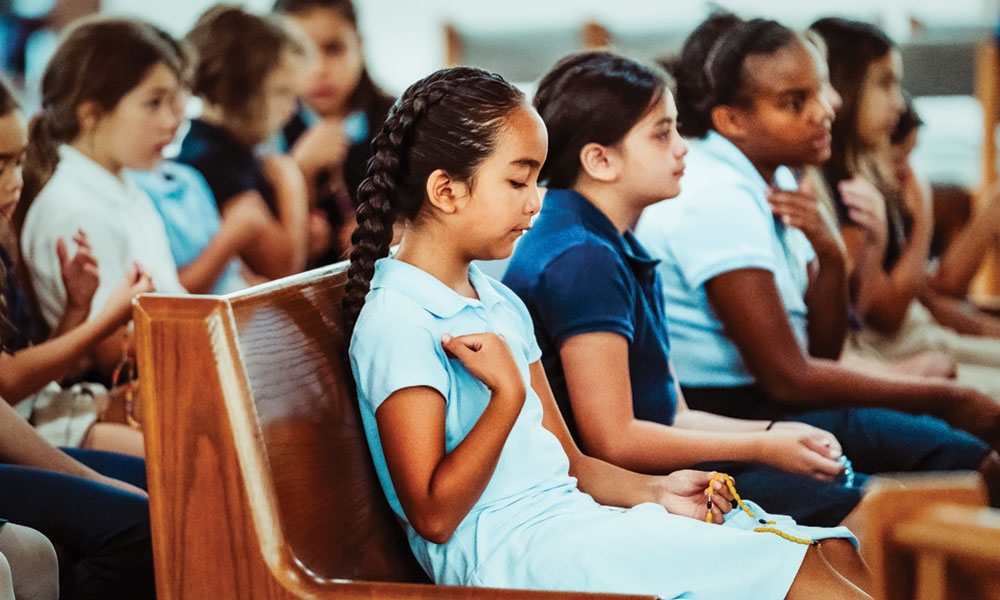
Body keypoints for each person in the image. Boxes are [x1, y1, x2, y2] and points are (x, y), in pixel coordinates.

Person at [344, 65, 871, 599]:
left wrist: (657, 492)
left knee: (830, 549)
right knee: (792, 570)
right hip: (510, 556)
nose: (536, 200)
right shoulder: (399, 319)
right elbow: (434, 517)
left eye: (537, 180)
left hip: (568, 522)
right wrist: (506, 398)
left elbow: (570, 464)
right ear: (447, 190)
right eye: (517, 180)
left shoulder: (496, 301)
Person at [632, 18, 1000, 503]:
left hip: (775, 397)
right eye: (794, 102)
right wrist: (942, 397)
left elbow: (820, 351)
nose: (825, 110)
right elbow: (789, 377)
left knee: (973, 451)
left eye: (821, 89)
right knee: (970, 459)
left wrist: (830, 256)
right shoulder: (718, 197)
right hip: (728, 412)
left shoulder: (779, 181)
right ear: (732, 121)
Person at [503, 49, 868, 528]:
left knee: (853, 482)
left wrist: (777, 434)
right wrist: (762, 445)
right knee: (870, 508)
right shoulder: (581, 257)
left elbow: (672, 412)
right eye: (662, 134)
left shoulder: (611, 240)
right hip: (613, 495)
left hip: (654, 469)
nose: (683, 147)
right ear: (600, 160)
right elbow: (614, 440)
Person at [810, 17, 1000, 392]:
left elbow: (929, 296)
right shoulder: (838, 188)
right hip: (894, 349)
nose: (898, 101)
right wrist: (924, 216)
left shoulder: (860, 175)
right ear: (845, 87)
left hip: (921, 338)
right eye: (885, 84)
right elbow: (888, 314)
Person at [16, 16, 187, 379]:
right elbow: (119, 355)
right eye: (153, 103)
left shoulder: (124, 186)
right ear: (92, 113)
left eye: (173, 102)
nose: (172, 121)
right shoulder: (73, 207)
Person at [0, 74, 151, 456]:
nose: (15, 182)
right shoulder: (71, 205)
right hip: (23, 439)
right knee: (161, 474)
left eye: (18, 163)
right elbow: (9, 382)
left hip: (39, 416)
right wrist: (107, 319)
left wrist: (78, 306)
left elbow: (39, 380)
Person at [177, 4, 312, 281]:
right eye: (281, 93)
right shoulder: (214, 161)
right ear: (240, 90)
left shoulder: (232, 149)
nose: (291, 109)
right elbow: (283, 267)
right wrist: (291, 180)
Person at [273, 0, 395, 264]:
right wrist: (300, 170)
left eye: (333, 48)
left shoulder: (403, 120)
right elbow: (275, 261)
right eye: (299, 52)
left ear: (359, 47)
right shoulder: (268, 134)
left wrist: (402, 233)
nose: (318, 68)